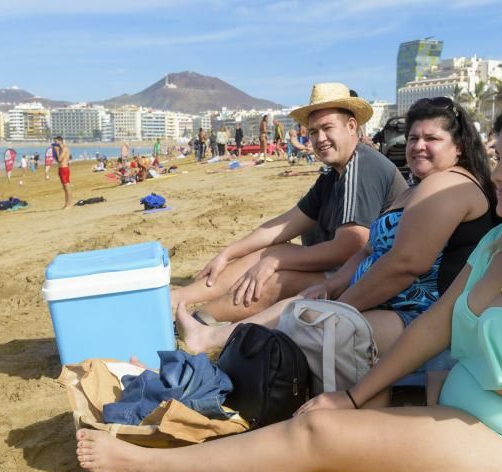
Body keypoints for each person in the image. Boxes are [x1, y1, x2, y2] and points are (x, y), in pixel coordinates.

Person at [76, 89, 502, 472]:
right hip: (459, 413)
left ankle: (146, 469)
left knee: (318, 432)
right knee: (328, 421)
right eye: (499, 158)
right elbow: (434, 324)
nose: (499, 176)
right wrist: (354, 394)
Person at [178, 96, 498, 358]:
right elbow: (363, 248)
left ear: (459, 147)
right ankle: (206, 330)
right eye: (413, 138)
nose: (417, 146)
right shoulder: (412, 187)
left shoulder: (439, 184)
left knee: (295, 298)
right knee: (286, 275)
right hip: (369, 290)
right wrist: (230, 254)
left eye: (432, 139)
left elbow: (395, 262)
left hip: (414, 311)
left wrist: (340, 304)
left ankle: (205, 326)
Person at [170, 82, 408, 323]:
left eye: (327, 128)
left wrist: (276, 262)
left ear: (351, 126)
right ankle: (178, 298)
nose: (320, 139)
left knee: (277, 278)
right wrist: (227, 254)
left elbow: (351, 244)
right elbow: (286, 224)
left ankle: (199, 322)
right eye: (313, 131)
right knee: (267, 253)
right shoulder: (334, 173)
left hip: (375, 282)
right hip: (349, 270)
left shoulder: (363, 166)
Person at [53, 136, 72, 209]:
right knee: (64, 188)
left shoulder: (64, 149)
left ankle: (69, 204)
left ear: (60, 141)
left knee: (67, 187)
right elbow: (58, 160)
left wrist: (57, 151)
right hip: (61, 168)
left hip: (64, 169)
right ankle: (66, 204)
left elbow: (60, 159)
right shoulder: (61, 149)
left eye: (56, 141)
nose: (55, 143)